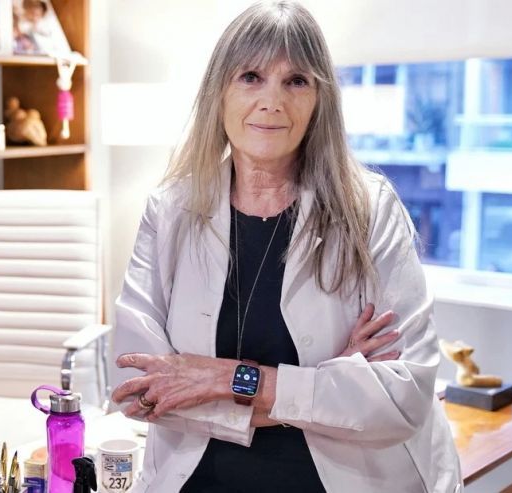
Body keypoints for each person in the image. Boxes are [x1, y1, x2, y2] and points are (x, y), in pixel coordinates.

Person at [110, 2, 462, 492]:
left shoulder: (371, 209)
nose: (271, 101)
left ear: (320, 99)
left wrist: (221, 378)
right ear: (219, 92)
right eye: (250, 77)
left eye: (296, 81)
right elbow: (136, 389)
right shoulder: (170, 210)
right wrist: (328, 384)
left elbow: (402, 398)